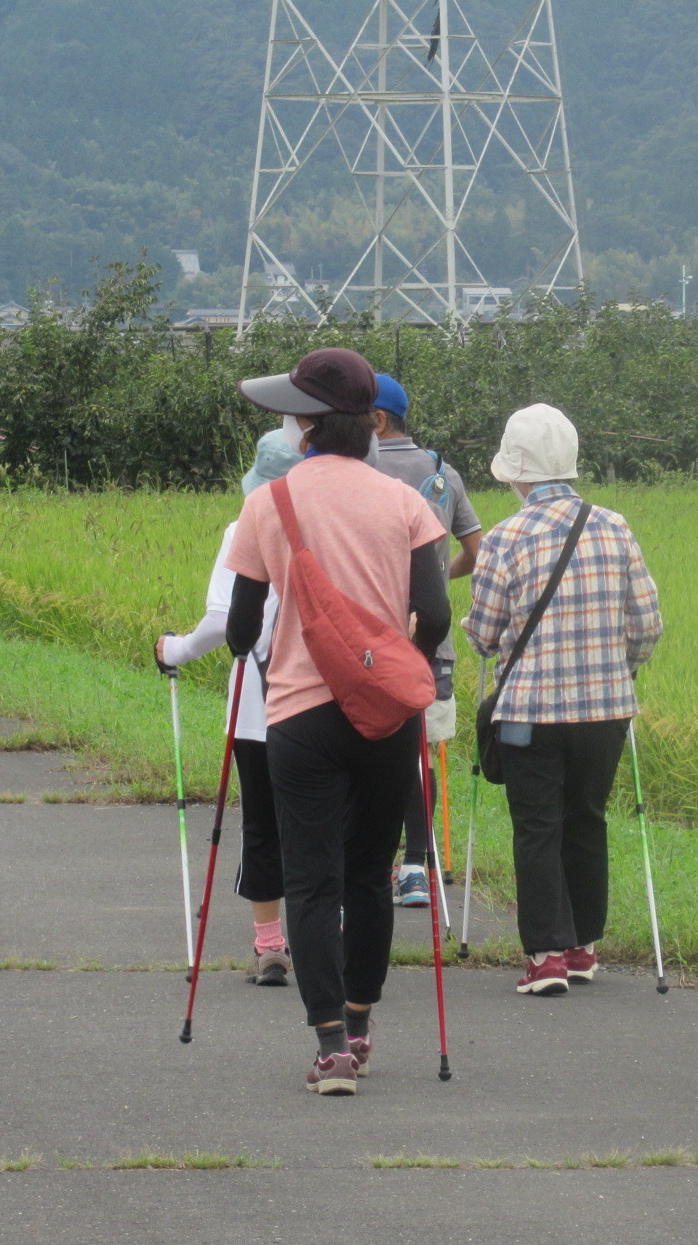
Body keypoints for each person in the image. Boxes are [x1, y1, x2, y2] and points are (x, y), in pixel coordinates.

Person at [222, 348, 452, 1095]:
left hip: (299, 712)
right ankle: (359, 1018)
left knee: (312, 881)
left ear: (310, 425)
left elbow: (241, 624)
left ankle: (330, 1049)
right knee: (369, 877)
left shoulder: (270, 503)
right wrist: (391, 665)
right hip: (385, 717)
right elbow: (438, 613)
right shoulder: (406, 503)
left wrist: (268, 651)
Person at [464, 404, 662, 996]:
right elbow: (647, 625)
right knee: (587, 818)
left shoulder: (504, 538)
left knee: (537, 826)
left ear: (517, 472)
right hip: (606, 710)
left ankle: (546, 957)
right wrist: (614, 667)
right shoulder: (615, 526)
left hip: (530, 713)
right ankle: (582, 947)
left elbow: (481, 633)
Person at [156, 425, 301, 984]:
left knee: (263, 824)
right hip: (334, 706)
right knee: (329, 822)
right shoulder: (340, 521)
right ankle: (331, 933)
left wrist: (174, 649)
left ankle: (270, 946)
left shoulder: (244, 527)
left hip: (258, 709)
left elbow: (224, 623)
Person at [371, 372, 482, 907]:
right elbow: (476, 551)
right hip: (432, 644)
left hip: (368, 646)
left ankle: (369, 862)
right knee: (421, 753)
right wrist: (437, 578)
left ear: (376, 420)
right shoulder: (444, 472)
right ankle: (416, 866)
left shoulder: (356, 470)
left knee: (366, 753)